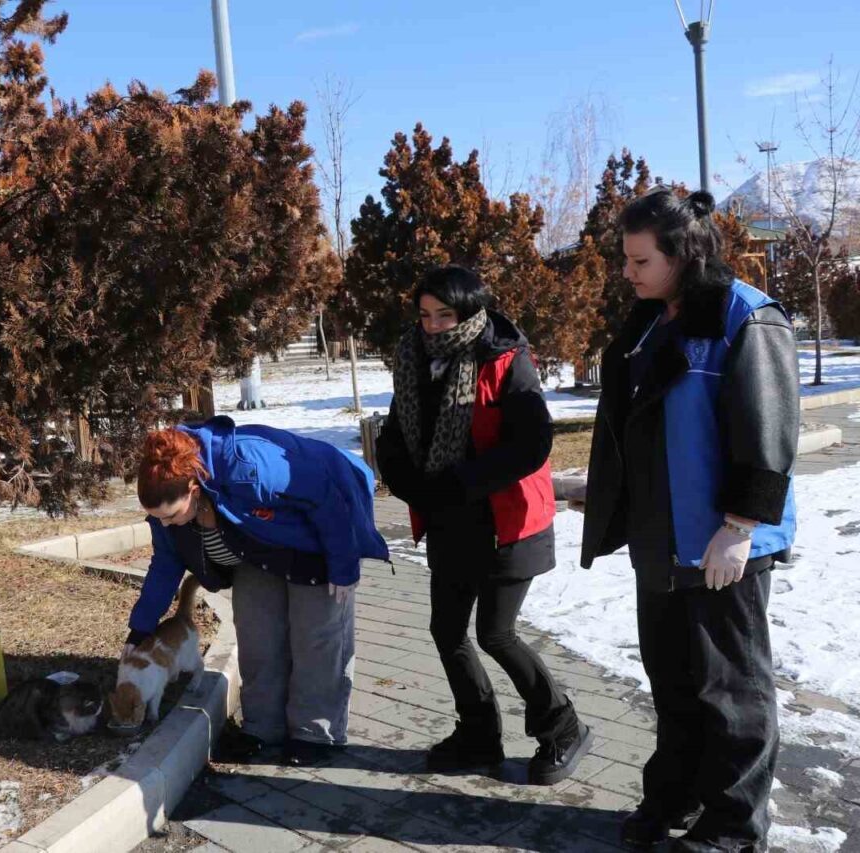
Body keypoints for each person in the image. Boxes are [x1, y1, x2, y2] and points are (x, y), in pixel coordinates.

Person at [581, 188, 798, 852]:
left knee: (731, 689)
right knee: (674, 683)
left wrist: (740, 527)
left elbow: (768, 433)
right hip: (661, 539)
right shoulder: (652, 320)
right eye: (626, 259)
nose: (628, 272)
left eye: (640, 260)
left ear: (682, 254)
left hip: (720, 543)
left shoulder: (745, 318)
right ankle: (674, 795)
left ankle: (734, 827)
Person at [375, 265, 592, 786]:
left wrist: (461, 483)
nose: (432, 326)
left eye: (444, 315)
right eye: (425, 315)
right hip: (450, 522)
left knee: (496, 633)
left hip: (506, 522)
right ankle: (478, 735)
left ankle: (564, 727)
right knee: (446, 631)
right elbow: (396, 437)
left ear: (470, 312)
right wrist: (412, 485)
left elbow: (532, 444)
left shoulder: (506, 359)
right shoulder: (414, 359)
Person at [126, 416, 388, 766]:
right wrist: (140, 629)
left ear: (193, 489)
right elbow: (165, 565)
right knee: (257, 636)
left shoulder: (248, 465)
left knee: (315, 640)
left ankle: (315, 733)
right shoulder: (169, 507)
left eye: (171, 516)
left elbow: (326, 497)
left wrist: (343, 566)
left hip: (316, 540)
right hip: (256, 550)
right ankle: (263, 727)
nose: (165, 524)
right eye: (157, 518)